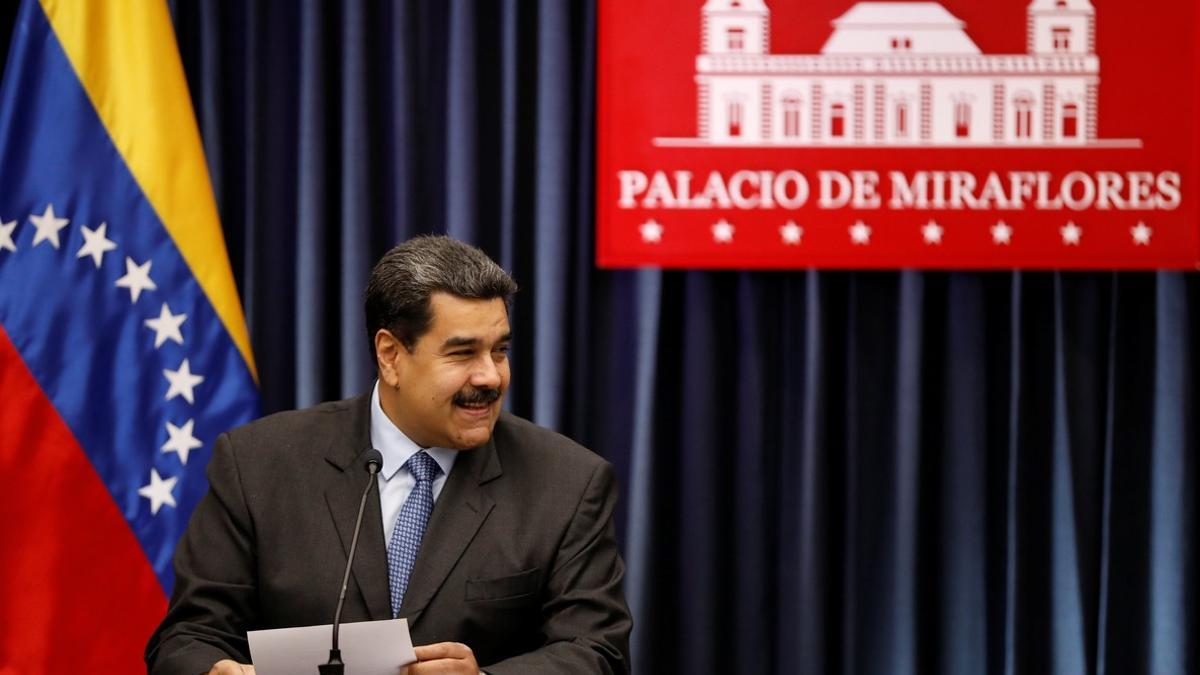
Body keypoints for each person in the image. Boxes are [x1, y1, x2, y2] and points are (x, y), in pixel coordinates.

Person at [145, 235, 632, 674]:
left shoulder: (568, 482)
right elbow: (187, 638)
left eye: (499, 350)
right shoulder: (259, 464)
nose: (491, 377)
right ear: (391, 356)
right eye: (463, 354)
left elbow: (598, 651)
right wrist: (217, 673)